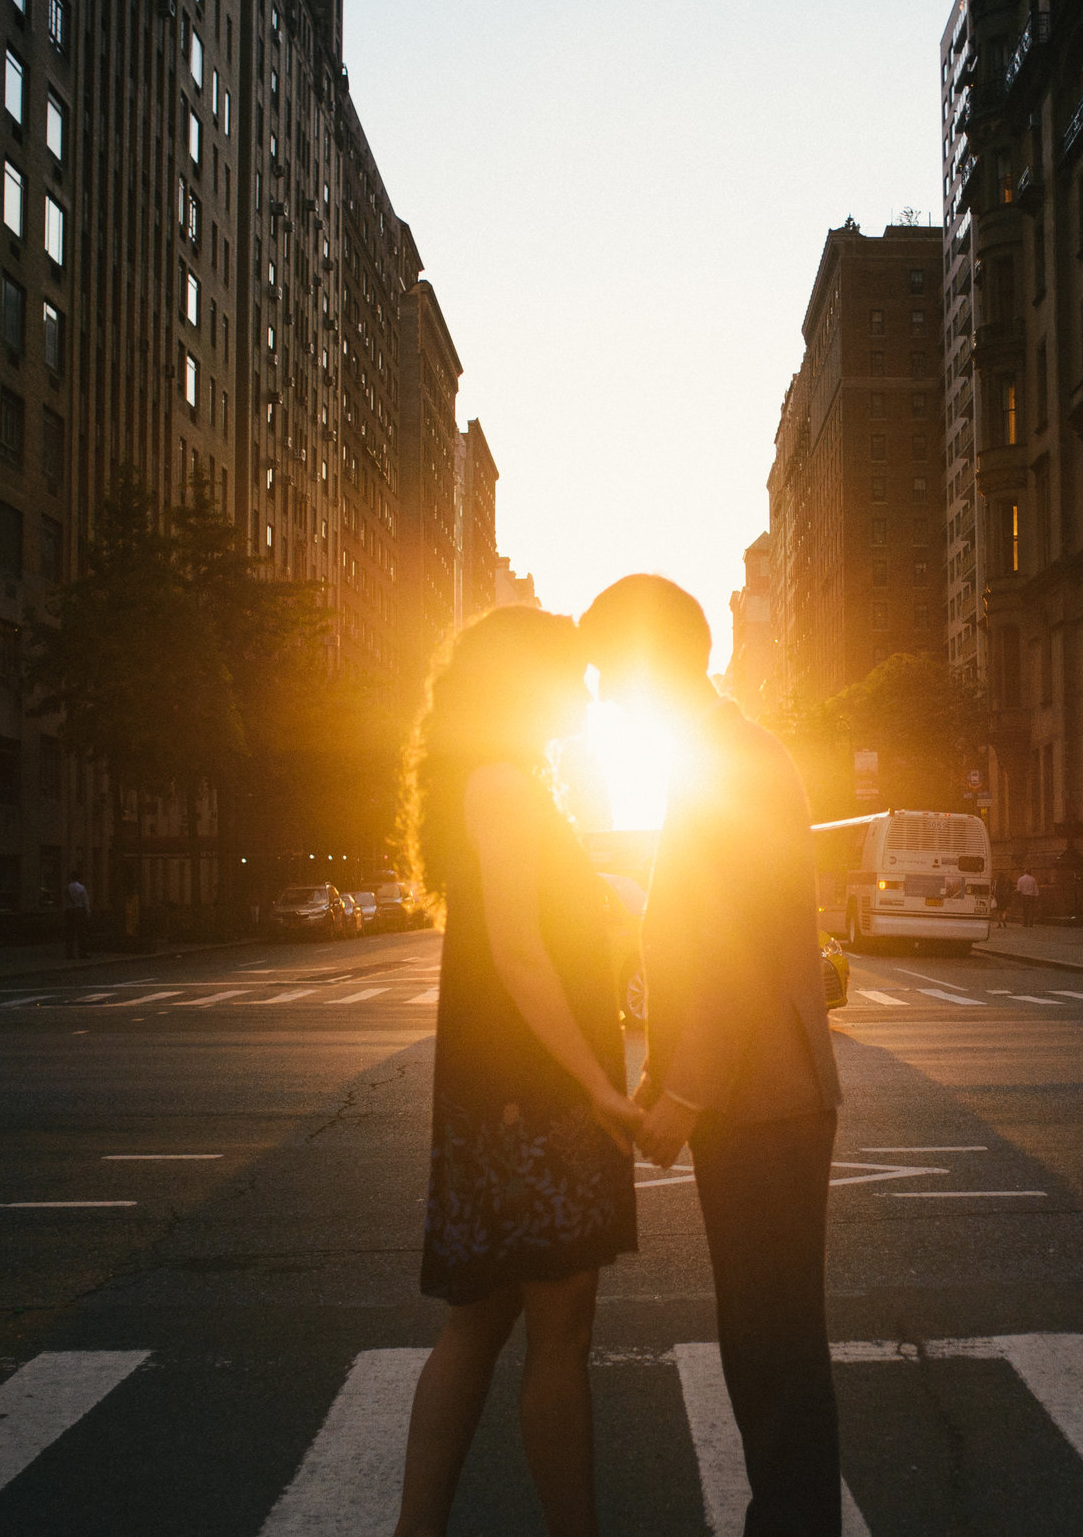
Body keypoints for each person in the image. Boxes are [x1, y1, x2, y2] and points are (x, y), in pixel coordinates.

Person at [583, 574, 844, 1537]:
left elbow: (736, 952)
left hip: (765, 1094)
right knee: (759, 1333)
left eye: (613, 670)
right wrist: (663, 1080)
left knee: (773, 1339)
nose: (605, 693)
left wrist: (681, 1092)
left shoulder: (733, 760)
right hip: (750, 1091)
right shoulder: (711, 756)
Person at [394, 607, 645, 1537]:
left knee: (484, 1317)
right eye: (568, 675)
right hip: (527, 1097)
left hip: (509, 1090)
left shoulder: (508, 779)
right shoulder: (500, 781)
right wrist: (594, 1084)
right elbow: (519, 953)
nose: (582, 692)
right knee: (557, 1323)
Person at [63, 870, 92, 959]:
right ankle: (82, 953)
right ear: (79, 877)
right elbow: (85, 901)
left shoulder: (67, 888)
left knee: (70, 933)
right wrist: (88, 911)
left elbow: (65, 900)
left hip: (69, 910)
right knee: (81, 932)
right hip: (79, 910)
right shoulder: (81, 888)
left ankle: (69, 953)